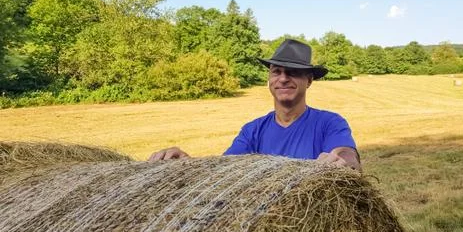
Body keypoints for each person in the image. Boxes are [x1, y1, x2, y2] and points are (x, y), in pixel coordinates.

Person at [149, 39, 361, 170]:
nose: (283, 78)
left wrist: (341, 162)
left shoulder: (329, 123)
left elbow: (347, 155)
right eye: (276, 72)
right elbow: (225, 171)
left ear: (309, 80)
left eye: (293, 72)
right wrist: (188, 162)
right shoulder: (253, 130)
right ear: (269, 79)